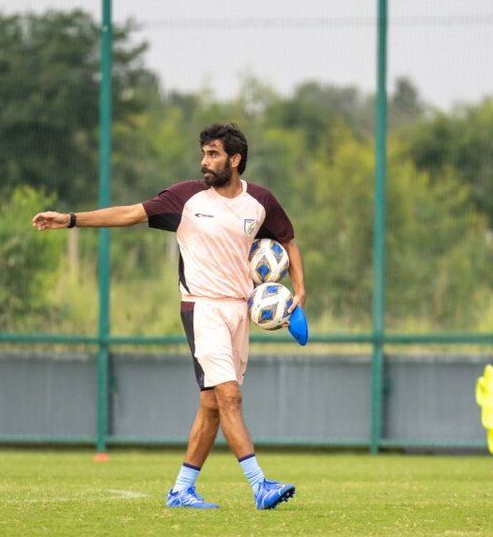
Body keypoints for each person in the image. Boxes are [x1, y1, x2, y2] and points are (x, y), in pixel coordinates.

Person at [32, 122, 306, 510]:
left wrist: (301, 289)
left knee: (212, 405)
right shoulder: (186, 198)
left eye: (213, 154)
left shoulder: (259, 201)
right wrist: (71, 219)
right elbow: (129, 213)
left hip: (239, 312)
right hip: (202, 307)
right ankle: (260, 485)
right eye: (203, 153)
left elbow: (288, 240)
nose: (204, 162)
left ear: (236, 159)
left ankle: (181, 490)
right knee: (230, 396)